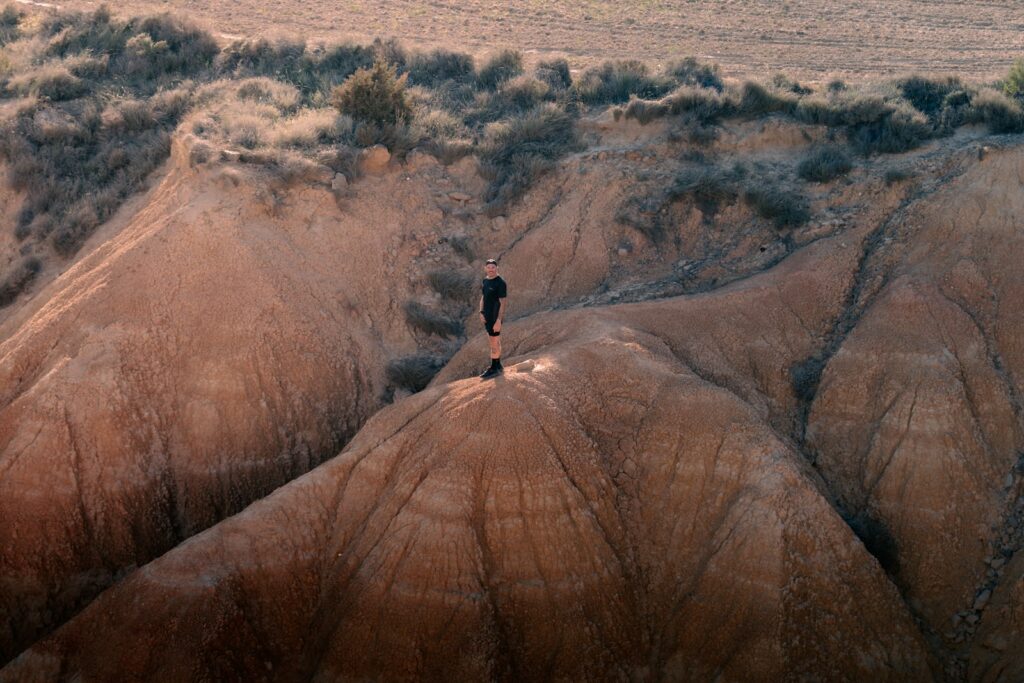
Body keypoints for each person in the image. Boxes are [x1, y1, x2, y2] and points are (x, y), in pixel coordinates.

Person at [479, 258, 507, 379]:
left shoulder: (500, 283)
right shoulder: (485, 281)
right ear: (485, 269)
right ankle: (498, 365)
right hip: (487, 316)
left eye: (493, 267)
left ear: (497, 268)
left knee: (493, 343)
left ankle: (494, 368)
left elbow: (503, 302)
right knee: (495, 342)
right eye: (489, 267)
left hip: (495, 317)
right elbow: (483, 297)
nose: (491, 269)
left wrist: (499, 320)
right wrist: (481, 312)